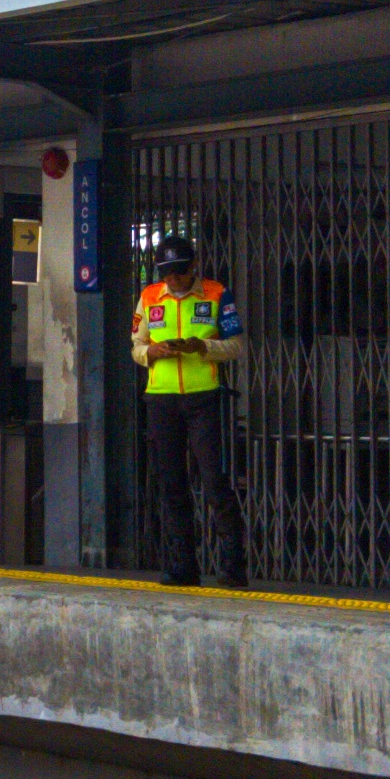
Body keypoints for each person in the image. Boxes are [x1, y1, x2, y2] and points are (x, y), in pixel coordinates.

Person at [131, 232, 247, 587]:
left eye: (179, 272)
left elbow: (236, 346)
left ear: (193, 267)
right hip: (161, 400)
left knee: (213, 480)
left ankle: (232, 565)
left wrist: (202, 346)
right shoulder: (149, 297)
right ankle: (182, 565)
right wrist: (151, 352)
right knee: (171, 483)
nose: (173, 280)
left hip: (203, 398)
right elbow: (135, 346)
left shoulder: (215, 294)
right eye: (166, 273)